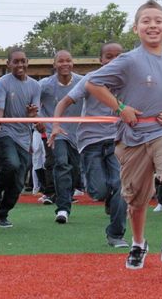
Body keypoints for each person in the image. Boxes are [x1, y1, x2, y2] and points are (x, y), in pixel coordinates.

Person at [86, 0, 162, 269]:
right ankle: (138, 243)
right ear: (136, 28)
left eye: (158, 21)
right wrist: (121, 108)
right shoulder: (128, 61)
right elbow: (93, 83)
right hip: (132, 136)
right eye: (146, 21)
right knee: (136, 200)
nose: (152, 25)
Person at [49, 42, 129, 247]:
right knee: (98, 191)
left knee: (120, 186)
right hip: (90, 141)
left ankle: (116, 234)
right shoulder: (90, 80)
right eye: (108, 57)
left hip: (116, 140)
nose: (114, 60)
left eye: (118, 56)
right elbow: (63, 102)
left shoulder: (129, 81)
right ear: (101, 60)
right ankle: (105, 197)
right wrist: (56, 125)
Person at [0, 49, 41, 228]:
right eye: (16, 62)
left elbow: (33, 115)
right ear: (8, 64)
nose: (20, 65)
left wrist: (33, 116)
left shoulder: (35, 85)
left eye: (23, 61)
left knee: (19, 183)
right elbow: (0, 108)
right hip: (5, 131)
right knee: (12, 163)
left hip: (24, 135)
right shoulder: (3, 82)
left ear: (28, 62)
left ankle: (1, 214)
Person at [39, 50, 83, 224]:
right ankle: (63, 208)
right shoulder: (45, 84)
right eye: (61, 61)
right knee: (61, 163)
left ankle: (67, 196)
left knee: (74, 169)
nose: (65, 64)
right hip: (56, 132)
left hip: (78, 133)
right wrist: (39, 120)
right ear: (54, 64)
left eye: (68, 61)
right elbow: (34, 103)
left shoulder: (82, 82)